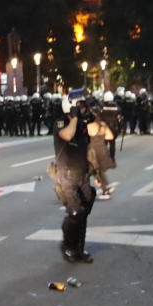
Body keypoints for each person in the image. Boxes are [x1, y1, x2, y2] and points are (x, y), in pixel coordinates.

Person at [52, 89, 96, 262]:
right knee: (76, 213)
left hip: (83, 174)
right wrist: (75, 117)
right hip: (66, 176)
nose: (83, 108)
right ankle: (67, 245)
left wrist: (91, 117)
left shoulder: (82, 124)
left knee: (85, 210)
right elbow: (67, 135)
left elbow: (99, 133)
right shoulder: (62, 123)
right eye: (79, 105)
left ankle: (79, 249)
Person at [87, 102, 117, 200]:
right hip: (102, 150)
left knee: (91, 170)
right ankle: (106, 186)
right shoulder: (102, 125)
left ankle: (104, 188)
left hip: (92, 152)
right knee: (97, 171)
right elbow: (110, 136)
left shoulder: (88, 125)